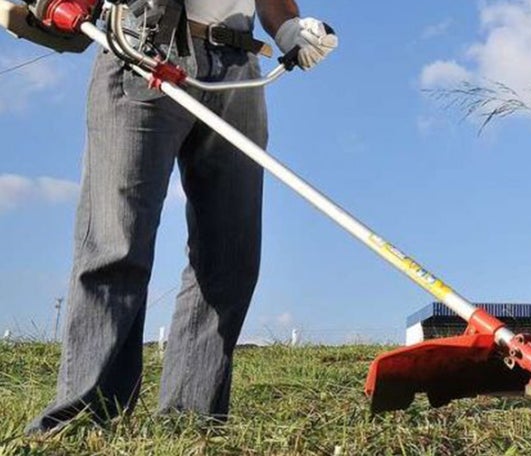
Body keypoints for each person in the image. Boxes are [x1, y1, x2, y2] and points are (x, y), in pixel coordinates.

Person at [26, 0, 337, 433]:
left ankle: (192, 421)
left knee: (230, 255)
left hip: (237, 65)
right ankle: (84, 418)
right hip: (143, 45)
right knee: (118, 243)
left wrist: (287, 28)